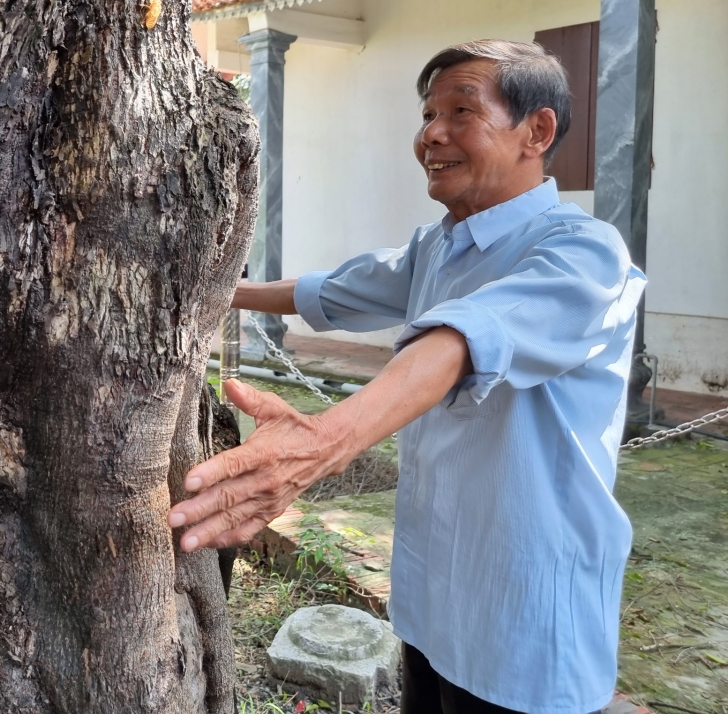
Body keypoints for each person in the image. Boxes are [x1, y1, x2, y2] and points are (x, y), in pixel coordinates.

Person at [169, 40, 646, 714]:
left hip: (528, 619)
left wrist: (324, 442)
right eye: (427, 114)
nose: (431, 134)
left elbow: (463, 338)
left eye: (461, 110)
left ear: (535, 131)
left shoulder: (582, 253)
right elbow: (326, 292)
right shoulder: (439, 246)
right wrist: (210, 292)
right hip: (432, 602)